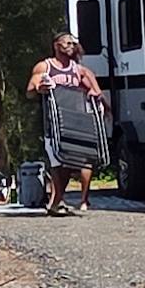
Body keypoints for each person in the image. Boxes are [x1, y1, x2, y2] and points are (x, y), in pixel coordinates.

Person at [27, 33, 105, 215]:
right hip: (53, 122)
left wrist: (94, 93)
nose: (71, 46)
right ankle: (57, 201)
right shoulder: (45, 66)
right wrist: (39, 89)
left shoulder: (77, 70)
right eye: (67, 43)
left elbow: (94, 90)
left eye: (73, 43)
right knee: (57, 162)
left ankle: (58, 201)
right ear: (56, 45)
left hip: (75, 121)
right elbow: (30, 91)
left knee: (70, 163)